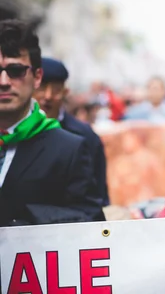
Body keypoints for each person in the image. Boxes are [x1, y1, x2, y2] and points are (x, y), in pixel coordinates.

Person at [0, 20, 105, 226]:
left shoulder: (69, 150)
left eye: (16, 71)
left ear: (37, 77)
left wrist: (21, 221)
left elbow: (90, 223)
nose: (4, 81)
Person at [33, 57, 110, 206]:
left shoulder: (84, 135)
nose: (47, 96)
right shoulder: (13, 133)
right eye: (41, 88)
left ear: (65, 92)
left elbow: (98, 194)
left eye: (55, 89)